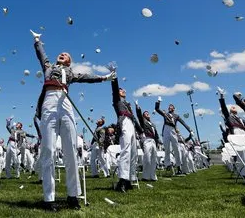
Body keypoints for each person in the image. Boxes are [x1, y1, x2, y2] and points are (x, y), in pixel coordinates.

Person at [31, 30, 115, 212]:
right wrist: (38, 40)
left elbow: (88, 78)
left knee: (70, 150)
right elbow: (41, 54)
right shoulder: (48, 67)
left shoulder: (71, 73)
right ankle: (48, 198)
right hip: (50, 101)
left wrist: (105, 78)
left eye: (65, 55)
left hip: (66, 102)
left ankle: (73, 196)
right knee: (48, 150)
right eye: (60, 54)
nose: (61, 55)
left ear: (69, 61)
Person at [111, 76, 142, 192]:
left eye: (123, 90)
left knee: (133, 153)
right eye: (121, 90)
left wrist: (140, 131)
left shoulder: (128, 104)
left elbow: (133, 118)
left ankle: (130, 179)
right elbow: (114, 89)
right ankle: (122, 181)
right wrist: (114, 77)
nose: (123, 91)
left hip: (131, 124)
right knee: (126, 150)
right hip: (124, 122)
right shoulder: (117, 100)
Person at [155, 97, 191, 174]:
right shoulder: (165, 114)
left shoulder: (176, 116)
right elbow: (157, 109)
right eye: (169, 106)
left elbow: (183, 123)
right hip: (166, 129)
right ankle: (167, 164)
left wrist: (189, 130)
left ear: (174, 108)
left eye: (171, 106)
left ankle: (178, 166)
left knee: (176, 148)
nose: (169, 107)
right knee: (167, 148)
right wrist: (158, 101)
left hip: (173, 130)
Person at [135, 101, 159, 181]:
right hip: (147, 140)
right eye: (145, 113)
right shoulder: (143, 122)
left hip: (153, 141)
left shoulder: (152, 124)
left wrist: (157, 142)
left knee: (153, 159)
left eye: (148, 113)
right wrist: (137, 107)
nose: (147, 114)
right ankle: (145, 176)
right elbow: (139, 116)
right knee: (147, 158)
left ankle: (153, 176)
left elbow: (156, 135)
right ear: (143, 116)